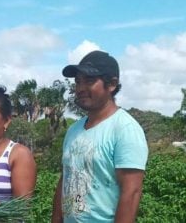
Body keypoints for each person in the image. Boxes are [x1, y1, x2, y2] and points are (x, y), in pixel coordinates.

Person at [52, 50, 148, 223]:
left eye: (89, 81)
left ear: (111, 84)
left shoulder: (125, 129)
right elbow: (66, 178)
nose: (80, 88)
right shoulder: (74, 130)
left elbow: (131, 192)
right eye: (78, 82)